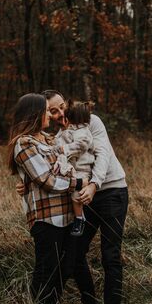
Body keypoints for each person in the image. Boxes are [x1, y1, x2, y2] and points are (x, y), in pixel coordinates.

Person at [42, 90, 129, 304]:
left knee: (110, 255)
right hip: (84, 197)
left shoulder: (92, 121)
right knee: (75, 251)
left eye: (61, 108)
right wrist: (26, 185)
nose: (60, 115)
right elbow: (50, 165)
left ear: (66, 104)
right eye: (53, 111)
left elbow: (102, 154)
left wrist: (94, 184)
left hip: (111, 191)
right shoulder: (59, 135)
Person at [7, 93, 88, 304]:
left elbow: (63, 166)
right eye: (45, 111)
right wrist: (79, 182)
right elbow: (48, 180)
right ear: (34, 114)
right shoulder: (23, 144)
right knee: (47, 268)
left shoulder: (48, 139)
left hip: (67, 215)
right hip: (46, 218)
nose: (49, 116)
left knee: (63, 268)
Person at [54, 99, 95, 237]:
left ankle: (79, 219)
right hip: (74, 169)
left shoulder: (84, 132)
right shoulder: (72, 129)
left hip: (83, 171)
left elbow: (81, 145)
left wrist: (63, 149)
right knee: (72, 193)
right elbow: (59, 140)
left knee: (76, 196)